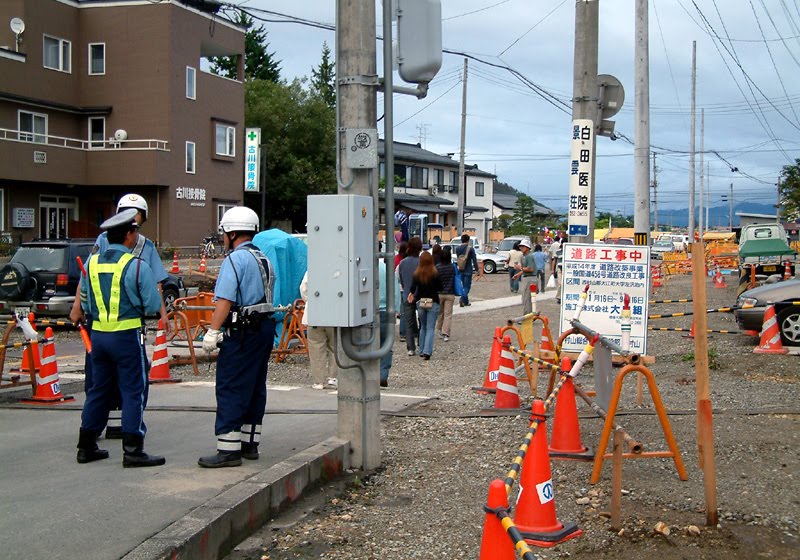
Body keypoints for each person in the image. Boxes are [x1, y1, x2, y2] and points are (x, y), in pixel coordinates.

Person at [70, 193, 170, 440]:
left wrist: (163, 314)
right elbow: (151, 297)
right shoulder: (131, 262)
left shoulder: (142, 247)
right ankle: (133, 445)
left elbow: (86, 280)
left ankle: (88, 441)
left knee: (100, 385)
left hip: (100, 331)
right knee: (132, 385)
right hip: (125, 330)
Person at [199, 207, 277, 468]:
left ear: (231, 233)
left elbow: (224, 300)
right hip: (263, 328)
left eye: (224, 233)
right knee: (255, 385)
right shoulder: (263, 258)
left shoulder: (235, 260)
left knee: (231, 385)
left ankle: (228, 450)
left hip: (242, 331)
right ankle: (249, 443)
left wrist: (212, 331)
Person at [299, 272, 338, 390]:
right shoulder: (338, 270)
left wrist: (309, 302)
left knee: (316, 348)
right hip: (334, 312)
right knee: (335, 346)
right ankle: (333, 377)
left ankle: (319, 381)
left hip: (315, 312)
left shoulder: (312, 269)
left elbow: (303, 288)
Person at [408, 252, 442, 360]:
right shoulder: (435, 273)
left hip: (421, 301)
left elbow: (413, 288)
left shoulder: (417, 273)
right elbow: (440, 287)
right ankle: (427, 351)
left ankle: (421, 350)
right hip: (433, 300)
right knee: (430, 328)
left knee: (423, 326)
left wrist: (411, 295)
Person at [397, 236, 422, 356]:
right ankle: (421, 344)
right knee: (422, 321)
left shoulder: (402, 263)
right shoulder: (421, 262)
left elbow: (401, 279)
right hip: (421, 295)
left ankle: (410, 348)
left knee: (408, 322)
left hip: (407, 294)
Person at [378, 258, 398, 388]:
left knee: (366, 344)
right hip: (386, 311)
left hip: (366, 313)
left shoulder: (360, 267)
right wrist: (396, 309)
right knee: (386, 344)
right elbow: (395, 290)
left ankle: (368, 375)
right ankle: (383, 374)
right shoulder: (386, 269)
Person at [435, 245, 456, 342]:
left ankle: (439, 329)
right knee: (448, 314)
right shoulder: (452, 267)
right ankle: (446, 333)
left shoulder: (437, 267)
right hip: (450, 292)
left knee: (440, 313)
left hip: (439, 293)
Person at [513, 238, 537, 315]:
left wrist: (519, 268)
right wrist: (518, 274)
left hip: (530, 279)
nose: (521, 248)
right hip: (528, 278)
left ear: (527, 248)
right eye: (521, 247)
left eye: (523, 247)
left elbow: (530, 269)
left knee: (526, 299)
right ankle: (529, 315)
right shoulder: (526, 256)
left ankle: (527, 316)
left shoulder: (529, 256)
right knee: (526, 298)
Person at [455, 234, 478, 307]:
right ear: (468, 240)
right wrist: (476, 269)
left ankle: (466, 301)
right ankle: (462, 298)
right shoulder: (470, 249)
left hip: (461, 268)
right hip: (468, 269)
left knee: (463, 285)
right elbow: (474, 260)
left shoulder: (457, 248)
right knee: (467, 286)